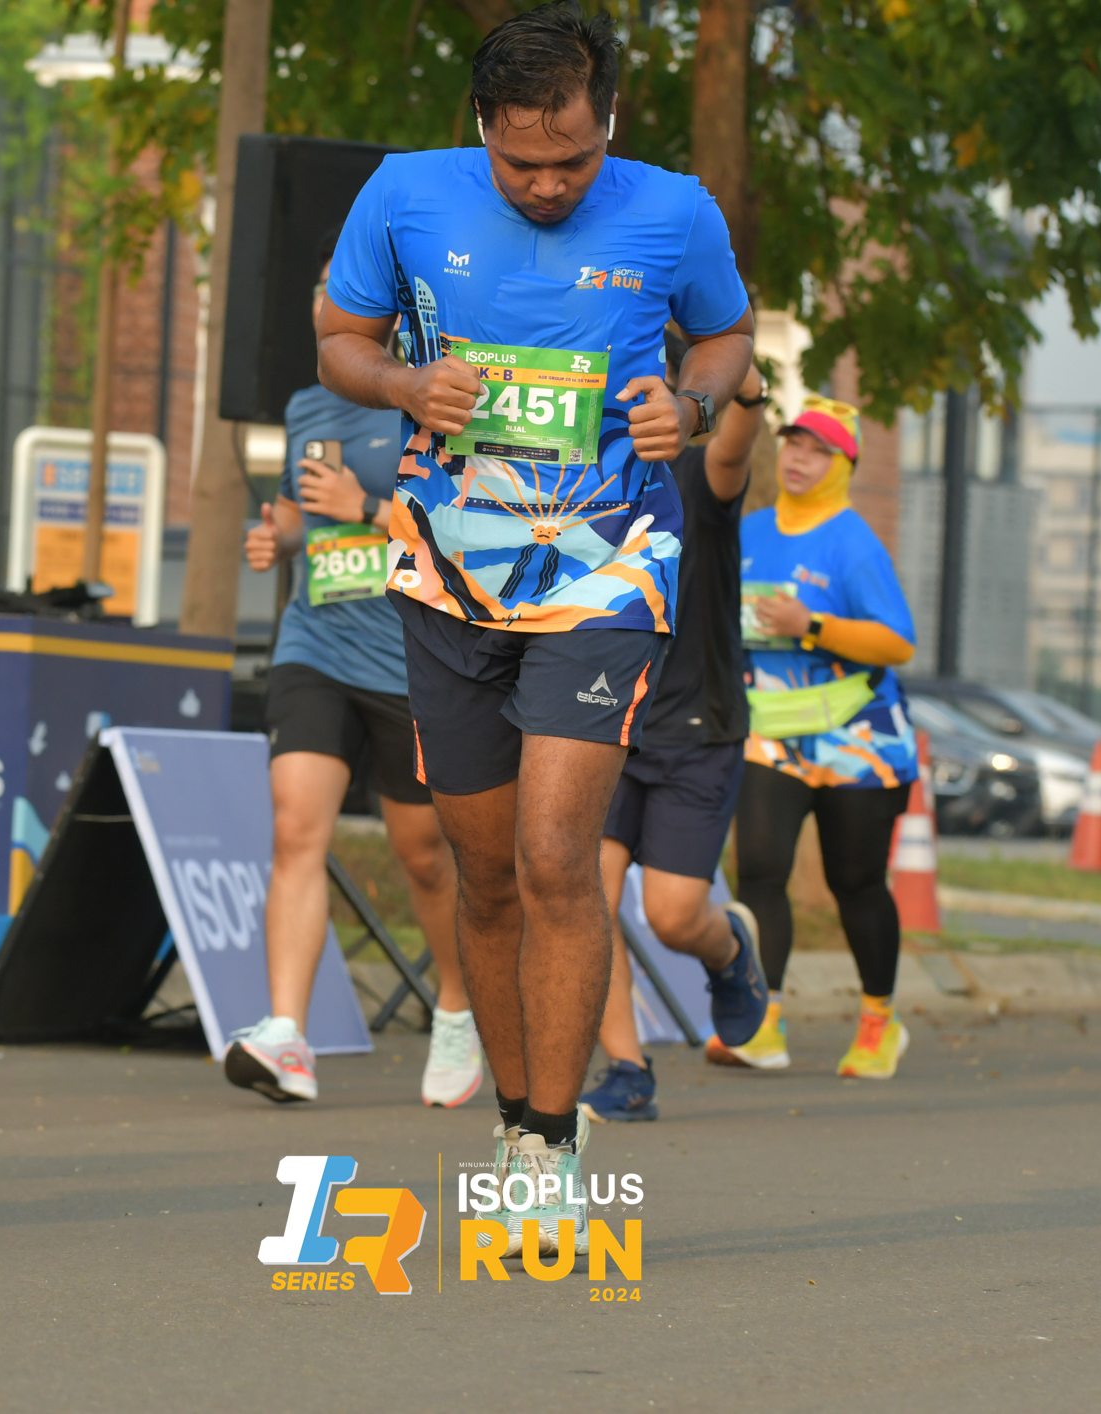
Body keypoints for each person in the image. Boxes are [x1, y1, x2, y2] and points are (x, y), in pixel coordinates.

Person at [318, 1, 760, 1257]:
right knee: (489, 871)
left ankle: (549, 1142)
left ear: (608, 119)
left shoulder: (674, 210)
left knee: (560, 853)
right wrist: (406, 384)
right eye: (522, 163)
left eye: (573, 158)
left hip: (607, 570)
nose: (550, 183)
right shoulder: (403, 194)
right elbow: (339, 339)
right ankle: (517, 1116)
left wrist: (690, 402)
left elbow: (727, 334)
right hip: (447, 570)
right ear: (482, 127)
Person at [224, 235, 478, 1109]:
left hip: (410, 656)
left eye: (345, 291)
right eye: (320, 292)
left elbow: (463, 532)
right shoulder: (304, 408)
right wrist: (280, 535)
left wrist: (365, 508)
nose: (327, 304)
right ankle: (286, 1038)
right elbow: (303, 512)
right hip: (316, 643)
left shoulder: (427, 402)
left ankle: (457, 1008)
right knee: (297, 828)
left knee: (424, 856)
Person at [579, 356, 776, 1124]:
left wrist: (744, 382)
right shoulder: (584, 487)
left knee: (671, 916)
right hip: (605, 721)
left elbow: (735, 441)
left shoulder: (700, 478)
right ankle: (627, 1070)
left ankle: (726, 953)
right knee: (585, 898)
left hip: (697, 728)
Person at [730, 396, 922, 1080]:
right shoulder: (750, 531)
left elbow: (897, 642)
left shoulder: (853, 543)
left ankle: (879, 1021)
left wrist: (809, 625)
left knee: (855, 882)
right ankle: (763, 1023)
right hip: (771, 730)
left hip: (856, 736)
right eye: (794, 444)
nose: (800, 459)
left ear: (844, 466)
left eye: (819, 451)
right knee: (759, 871)